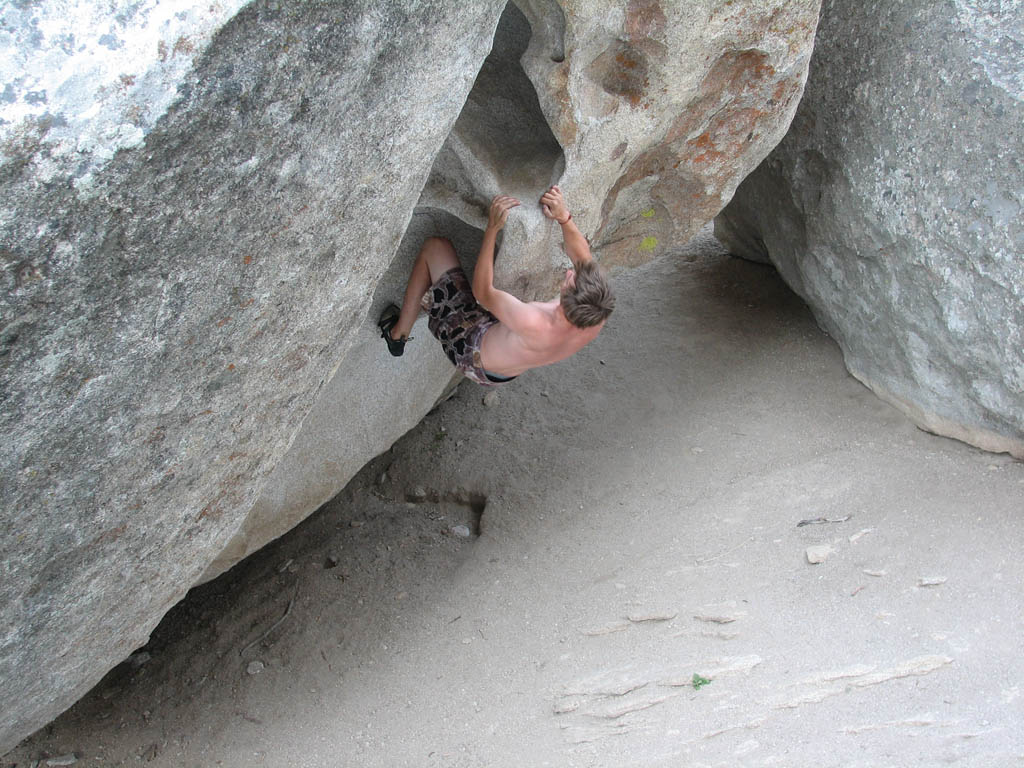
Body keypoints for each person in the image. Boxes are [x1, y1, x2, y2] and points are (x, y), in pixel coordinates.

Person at [378, 185, 614, 386]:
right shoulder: (594, 314)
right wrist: (564, 217)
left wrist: (492, 229)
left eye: (569, 281)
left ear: (565, 303)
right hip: (506, 370)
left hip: (469, 350)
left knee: (436, 248)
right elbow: (583, 257)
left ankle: (398, 334)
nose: (571, 272)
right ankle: (434, 305)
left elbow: (483, 292)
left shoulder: (532, 321)